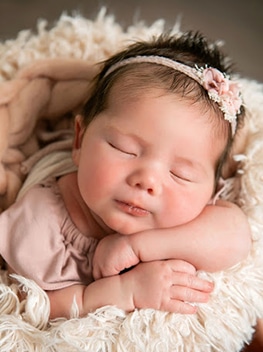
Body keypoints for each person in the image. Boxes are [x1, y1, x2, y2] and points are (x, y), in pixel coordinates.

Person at [0, 32, 251, 319]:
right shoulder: (39, 220)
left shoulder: (190, 217)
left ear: (210, 188)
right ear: (79, 141)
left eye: (180, 174)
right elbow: (26, 306)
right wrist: (122, 291)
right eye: (125, 149)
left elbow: (237, 237)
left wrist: (139, 246)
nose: (148, 181)